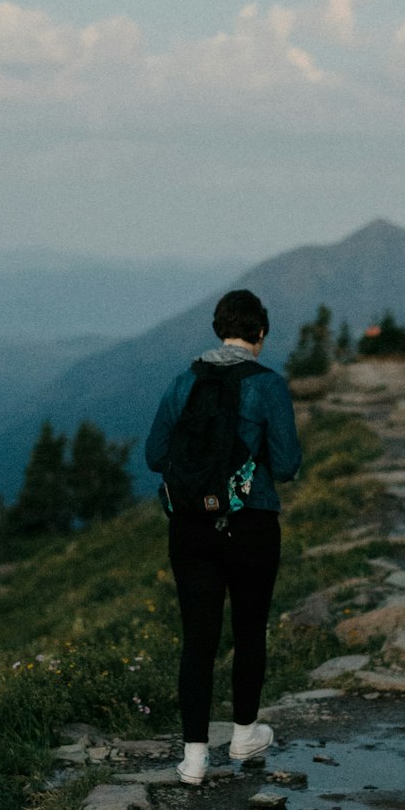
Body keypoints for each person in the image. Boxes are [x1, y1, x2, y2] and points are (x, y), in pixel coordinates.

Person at [145, 289, 302, 783]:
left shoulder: (183, 380)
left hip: (190, 527)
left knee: (198, 640)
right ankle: (243, 736)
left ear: (219, 328)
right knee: (249, 631)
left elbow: (154, 455)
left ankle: (193, 757)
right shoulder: (268, 385)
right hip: (251, 524)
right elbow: (288, 464)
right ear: (261, 332)